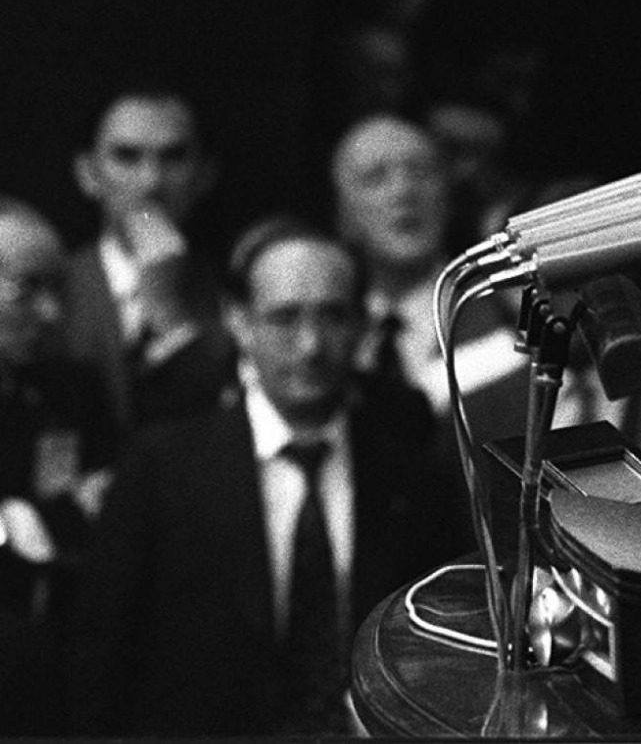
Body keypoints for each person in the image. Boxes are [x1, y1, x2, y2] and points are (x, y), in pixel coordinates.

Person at [69, 218, 465, 735]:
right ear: (238, 322)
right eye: (283, 318)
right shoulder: (162, 466)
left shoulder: (409, 467)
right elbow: (101, 657)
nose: (310, 346)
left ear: (363, 324)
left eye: (332, 317)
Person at [331, 112, 520, 441]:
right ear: (343, 214)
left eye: (421, 172)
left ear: (447, 197)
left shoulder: (507, 316)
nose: (404, 191)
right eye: (376, 177)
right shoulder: (331, 329)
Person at [0, 198, 115, 734]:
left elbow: (107, 499)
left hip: (52, 652)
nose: (50, 312)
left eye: (57, 290)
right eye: (27, 289)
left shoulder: (73, 388)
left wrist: (36, 520)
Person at [63, 85, 236, 429]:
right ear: (88, 174)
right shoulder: (53, 289)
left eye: (173, 158)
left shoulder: (234, 293)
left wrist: (164, 307)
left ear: (205, 175)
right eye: (126, 157)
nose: (151, 182)